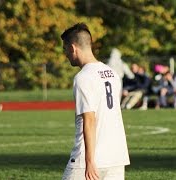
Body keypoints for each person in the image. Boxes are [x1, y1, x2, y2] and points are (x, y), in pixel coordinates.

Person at [61, 23, 130, 180]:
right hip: (116, 156)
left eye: (64, 49)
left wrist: (90, 161)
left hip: (89, 159)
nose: (65, 54)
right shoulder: (112, 74)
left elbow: (90, 119)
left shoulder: (83, 77)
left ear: (73, 48)